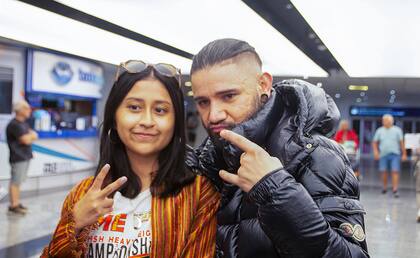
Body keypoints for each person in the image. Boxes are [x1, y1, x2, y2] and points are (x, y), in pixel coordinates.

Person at [186, 38, 369, 258]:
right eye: (203, 102)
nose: (214, 115)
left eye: (229, 96)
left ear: (263, 85)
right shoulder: (210, 158)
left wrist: (275, 189)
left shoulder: (316, 155)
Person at [42, 61, 219, 258]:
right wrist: (73, 223)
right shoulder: (83, 194)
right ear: (114, 118)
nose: (147, 121)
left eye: (160, 110)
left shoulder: (199, 194)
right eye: (134, 107)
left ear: (176, 122)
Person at [6, 100, 37, 215]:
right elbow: (26, 139)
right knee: (15, 182)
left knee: (18, 182)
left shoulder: (23, 123)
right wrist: (31, 136)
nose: (29, 111)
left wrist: (31, 136)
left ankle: (16, 203)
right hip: (18, 158)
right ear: (21, 110)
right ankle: (13, 205)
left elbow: (33, 135)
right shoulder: (14, 124)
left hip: (24, 157)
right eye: (27, 108)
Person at [372, 114, 407, 197]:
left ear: (391, 121)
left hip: (395, 154)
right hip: (383, 154)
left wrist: (404, 153)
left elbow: (401, 143)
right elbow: (374, 142)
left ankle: (395, 189)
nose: (384, 122)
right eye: (383, 121)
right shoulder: (379, 130)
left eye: (386, 120)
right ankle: (384, 188)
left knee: (395, 171)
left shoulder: (397, 130)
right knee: (383, 171)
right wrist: (376, 152)